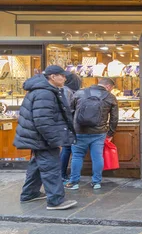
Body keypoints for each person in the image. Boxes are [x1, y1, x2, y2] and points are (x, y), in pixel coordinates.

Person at [13, 65, 78, 210]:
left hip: (37, 137)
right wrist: (55, 141)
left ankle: (29, 194)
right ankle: (55, 201)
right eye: (62, 75)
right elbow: (43, 121)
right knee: (51, 167)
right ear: (52, 77)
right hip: (42, 138)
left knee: (37, 165)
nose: (65, 78)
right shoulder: (45, 93)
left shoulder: (44, 90)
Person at [66, 78, 119, 190]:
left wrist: (71, 129)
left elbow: (69, 112)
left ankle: (74, 182)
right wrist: (110, 133)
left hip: (79, 131)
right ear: (109, 86)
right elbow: (114, 118)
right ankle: (96, 182)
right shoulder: (110, 97)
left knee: (76, 156)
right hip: (99, 132)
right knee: (97, 157)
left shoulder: (79, 93)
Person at [60, 72, 82, 183]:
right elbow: (68, 109)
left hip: (67, 124)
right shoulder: (67, 91)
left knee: (67, 148)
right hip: (68, 124)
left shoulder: (65, 90)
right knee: (67, 148)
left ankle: (62, 173)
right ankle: (62, 174)